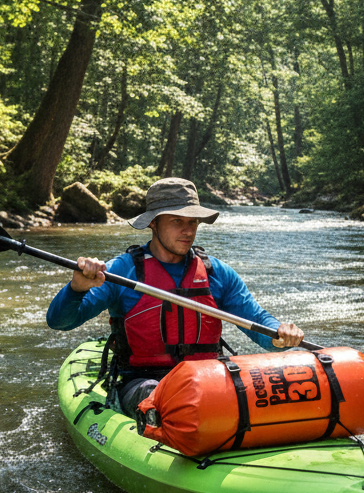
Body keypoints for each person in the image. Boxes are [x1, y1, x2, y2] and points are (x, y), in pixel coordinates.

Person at [46, 177, 304, 416]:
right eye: (177, 221)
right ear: (152, 223)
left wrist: (279, 334)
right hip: (144, 382)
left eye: (193, 221)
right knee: (163, 396)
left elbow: (256, 319)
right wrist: (77, 288)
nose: (188, 230)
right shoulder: (121, 271)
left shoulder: (217, 273)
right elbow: (61, 321)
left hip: (207, 379)